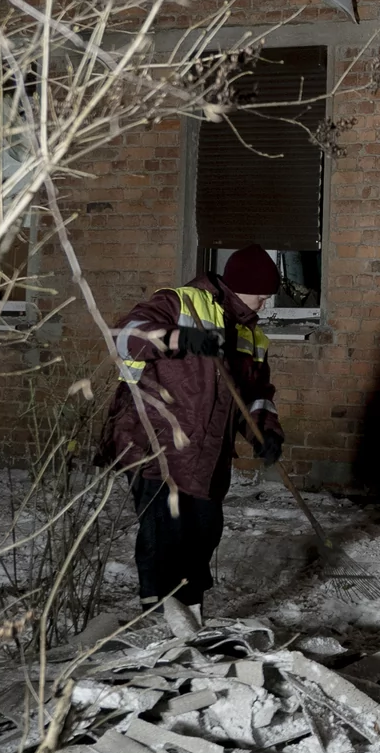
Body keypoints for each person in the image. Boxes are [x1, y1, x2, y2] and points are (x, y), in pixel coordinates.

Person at [101, 245, 287, 635]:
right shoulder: (178, 303)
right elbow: (124, 338)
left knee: (203, 531)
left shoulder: (251, 334)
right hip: (155, 443)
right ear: (241, 286)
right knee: (164, 534)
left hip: (206, 453)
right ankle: (157, 622)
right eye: (262, 292)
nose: (266, 301)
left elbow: (255, 393)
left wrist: (265, 431)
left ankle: (190, 618)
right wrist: (181, 340)